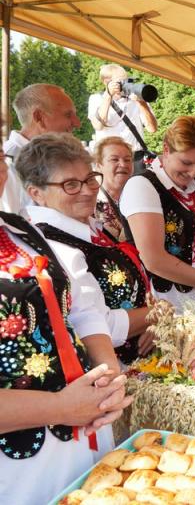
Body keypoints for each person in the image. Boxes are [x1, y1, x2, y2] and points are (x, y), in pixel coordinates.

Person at [0, 146, 131, 504]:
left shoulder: (20, 230)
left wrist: (107, 377)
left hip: (86, 439)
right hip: (19, 474)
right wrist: (61, 407)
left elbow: (81, 309)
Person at [18, 133, 154, 366]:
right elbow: (100, 325)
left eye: (90, 179)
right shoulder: (54, 246)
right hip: (111, 371)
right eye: (70, 184)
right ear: (36, 193)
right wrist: (158, 314)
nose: (88, 190)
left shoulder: (87, 228)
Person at [119, 116, 195, 312]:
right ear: (166, 149)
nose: (193, 172)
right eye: (186, 162)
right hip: (168, 307)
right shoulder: (142, 186)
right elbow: (154, 260)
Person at [2, 84, 81, 214]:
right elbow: (9, 222)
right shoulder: (7, 163)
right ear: (39, 117)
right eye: (68, 115)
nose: (77, 123)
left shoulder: (56, 156)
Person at [88, 64, 157, 166]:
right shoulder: (96, 99)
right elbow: (98, 126)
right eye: (120, 82)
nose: (125, 84)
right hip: (111, 159)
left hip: (136, 158)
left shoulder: (135, 98)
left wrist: (142, 104)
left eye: (126, 80)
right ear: (106, 82)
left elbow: (152, 129)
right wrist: (108, 96)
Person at [93, 136, 134, 242]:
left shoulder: (141, 195)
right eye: (114, 159)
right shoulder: (90, 201)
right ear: (99, 166)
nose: (123, 164)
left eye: (127, 160)